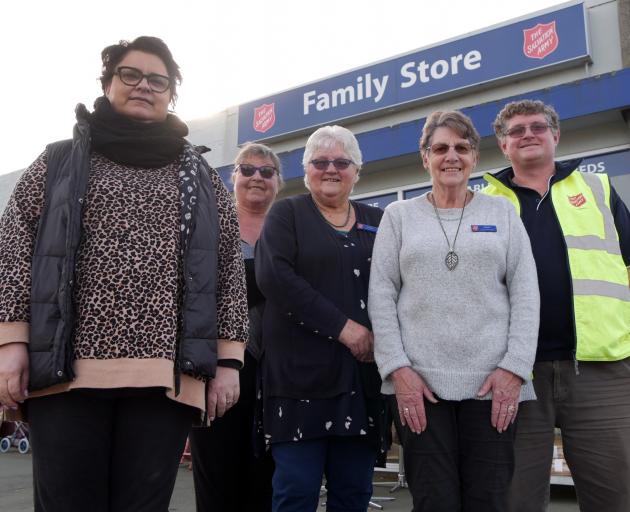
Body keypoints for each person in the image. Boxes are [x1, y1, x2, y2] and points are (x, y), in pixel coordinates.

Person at [0, 36, 248, 512]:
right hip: (64, 372)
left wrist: (229, 362)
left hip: (165, 376)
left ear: (170, 93)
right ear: (108, 82)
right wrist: (12, 343)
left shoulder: (200, 176)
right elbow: (13, 249)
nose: (143, 87)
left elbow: (227, 269)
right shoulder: (56, 163)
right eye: (130, 75)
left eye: (158, 80)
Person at [368, 110, 540, 512]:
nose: (452, 156)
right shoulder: (399, 217)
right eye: (440, 148)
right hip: (419, 386)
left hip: (493, 386)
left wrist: (514, 369)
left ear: (475, 158)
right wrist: (398, 369)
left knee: (489, 499)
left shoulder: (502, 214)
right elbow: (381, 294)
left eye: (462, 148)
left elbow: (526, 293)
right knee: (433, 501)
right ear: (424, 157)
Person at [483, 99, 630, 512]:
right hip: (514, 374)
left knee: (614, 494)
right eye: (516, 131)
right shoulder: (486, 205)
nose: (528, 134)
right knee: (515, 498)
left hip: (600, 369)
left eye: (537, 126)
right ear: (503, 144)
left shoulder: (597, 190)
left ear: (555, 136)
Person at [255, 125, 385, 512]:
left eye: (342, 162)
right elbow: (275, 278)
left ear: (357, 170)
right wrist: (345, 329)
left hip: (361, 382)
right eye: (320, 162)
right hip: (299, 382)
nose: (331, 169)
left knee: (354, 493)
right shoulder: (286, 214)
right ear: (306, 169)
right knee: (296, 492)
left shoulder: (379, 220)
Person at [189, 142, 280, 512]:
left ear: (278, 181)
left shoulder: (289, 228)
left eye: (266, 171)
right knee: (217, 477)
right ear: (234, 178)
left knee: (268, 478)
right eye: (247, 169)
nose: (256, 177)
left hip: (278, 374)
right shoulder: (209, 224)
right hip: (216, 368)